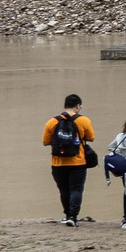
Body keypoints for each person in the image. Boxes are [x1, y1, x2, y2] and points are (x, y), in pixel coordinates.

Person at [42, 93, 95, 226]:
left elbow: (45, 142)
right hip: (78, 162)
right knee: (76, 189)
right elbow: (91, 138)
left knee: (64, 190)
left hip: (57, 163)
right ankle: (73, 216)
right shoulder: (84, 120)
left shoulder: (52, 121)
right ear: (77, 106)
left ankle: (66, 215)